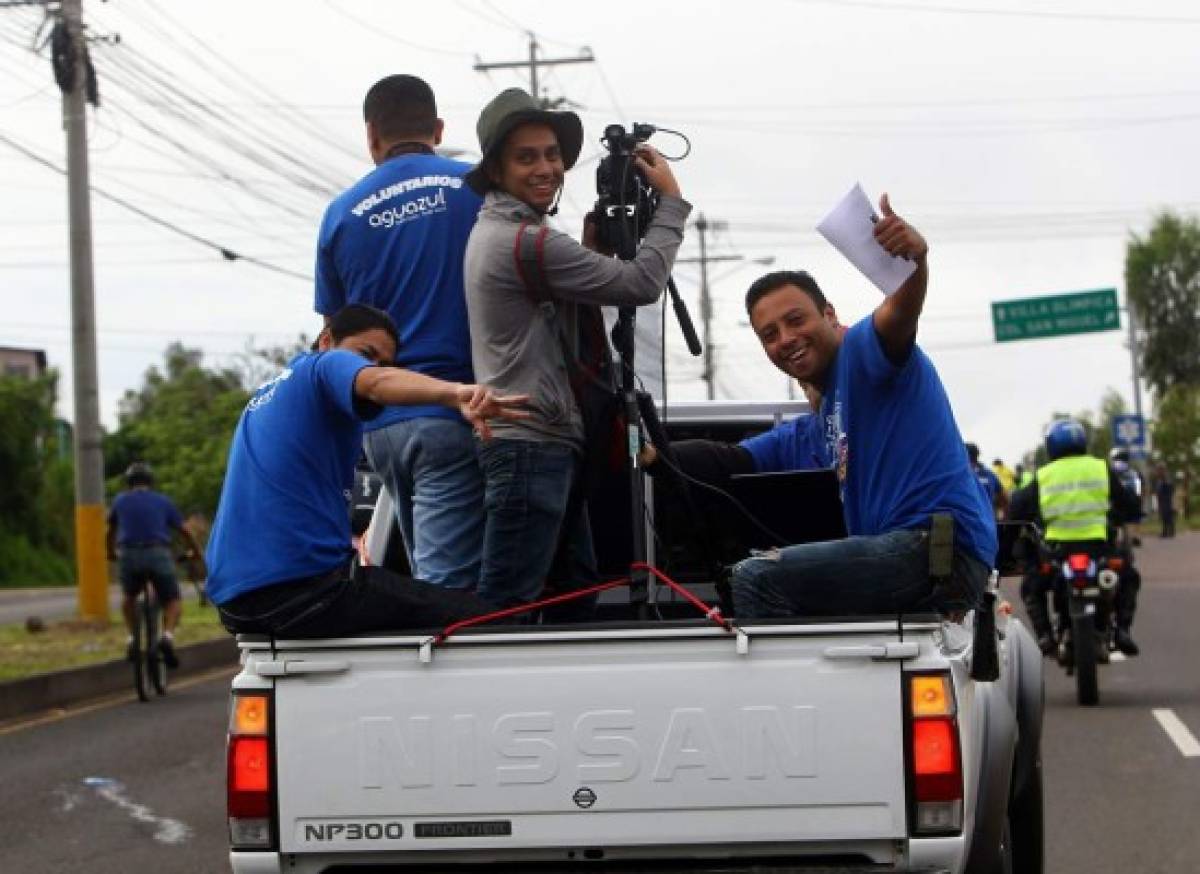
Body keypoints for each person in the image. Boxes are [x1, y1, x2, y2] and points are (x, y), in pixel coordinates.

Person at [649, 197, 997, 619]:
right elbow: (729, 460)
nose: (786, 339)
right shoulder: (820, 424)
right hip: (915, 556)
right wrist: (648, 451)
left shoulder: (862, 352)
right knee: (773, 576)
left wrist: (915, 261)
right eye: (770, 334)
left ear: (830, 314)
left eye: (796, 320)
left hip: (936, 549)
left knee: (756, 577)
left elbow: (901, 308)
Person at [463, 87, 690, 611]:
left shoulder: (509, 233)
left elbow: (550, 315)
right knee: (506, 610)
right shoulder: (526, 241)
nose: (546, 168)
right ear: (495, 171)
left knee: (573, 595)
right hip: (530, 447)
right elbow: (641, 284)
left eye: (552, 155)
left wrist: (591, 252)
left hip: (537, 445)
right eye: (526, 157)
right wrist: (672, 204)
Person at [205, 304, 528, 638]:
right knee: (490, 623)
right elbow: (377, 383)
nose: (372, 366)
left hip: (236, 600)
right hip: (302, 589)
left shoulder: (268, 397)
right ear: (327, 340)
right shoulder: (320, 367)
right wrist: (457, 393)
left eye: (385, 362)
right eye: (365, 354)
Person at [314, 75, 485, 591]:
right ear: (437, 128)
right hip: (458, 415)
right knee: (444, 595)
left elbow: (332, 336)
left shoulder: (340, 214)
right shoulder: (479, 188)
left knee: (422, 577)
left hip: (381, 426)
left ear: (371, 135)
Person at [1009, 419, 1142, 655]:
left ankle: (1044, 635)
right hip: (1098, 550)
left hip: (1057, 553)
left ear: (1051, 446)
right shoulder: (1100, 468)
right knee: (1129, 577)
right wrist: (1128, 513)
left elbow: (1017, 507)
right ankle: (1123, 630)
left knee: (1031, 586)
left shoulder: (1044, 475)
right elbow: (1129, 503)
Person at [106, 463, 203, 668]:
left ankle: (133, 637)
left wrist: (110, 553)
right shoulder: (163, 501)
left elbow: (110, 532)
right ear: (151, 482)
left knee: (129, 598)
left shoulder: (120, 501)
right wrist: (195, 552)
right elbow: (184, 531)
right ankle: (167, 637)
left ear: (128, 483)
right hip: (158, 553)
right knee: (172, 600)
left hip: (128, 554)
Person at [967, 443, 1008, 520]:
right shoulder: (990, 474)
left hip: (967, 522)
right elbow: (1003, 498)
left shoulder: (961, 475)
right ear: (977, 455)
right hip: (989, 522)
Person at [1154, 464, 1176, 538]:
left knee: (1167, 516)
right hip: (1162, 500)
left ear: (1162, 470)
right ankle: (1167, 531)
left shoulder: (1166, 478)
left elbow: (1171, 488)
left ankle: (1169, 532)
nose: (1157, 472)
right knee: (1165, 516)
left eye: (1158, 470)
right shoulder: (1160, 479)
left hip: (1166, 499)